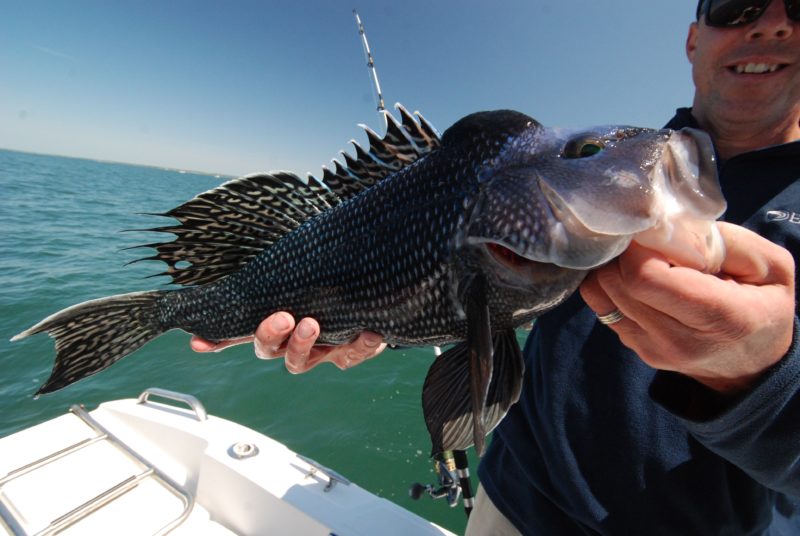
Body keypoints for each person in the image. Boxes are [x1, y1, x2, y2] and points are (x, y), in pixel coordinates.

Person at [193, 0, 800, 533]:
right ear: (695, 38)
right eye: (738, 6)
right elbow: (470, 281)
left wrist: (764, 381)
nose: (771, 25)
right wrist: (373, 322)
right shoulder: (622, 165)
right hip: (509, 502)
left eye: (796, 8)